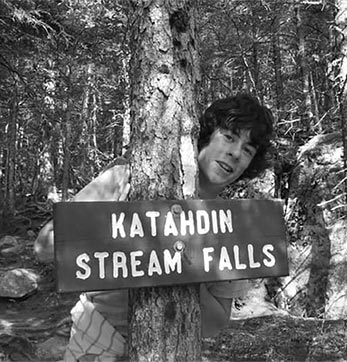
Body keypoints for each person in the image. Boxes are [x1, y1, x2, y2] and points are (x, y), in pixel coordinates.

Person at [34, 93, 274, 361]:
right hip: (97, 337)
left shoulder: (229, 226)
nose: (235, 153)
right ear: (206, 134)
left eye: (248, 150)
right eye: (229, 137)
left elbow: (215, 323)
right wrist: (114, 225)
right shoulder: (126, 179)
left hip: (170, 349)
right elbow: (44, 247)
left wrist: (181, 265)